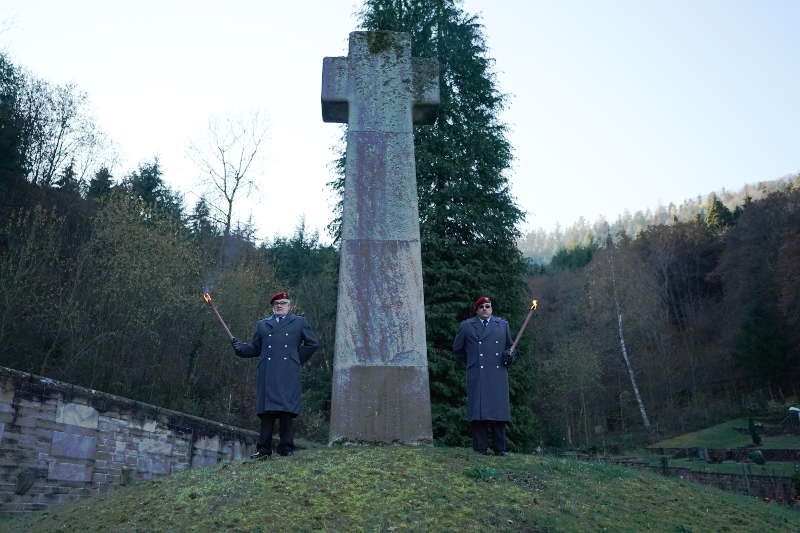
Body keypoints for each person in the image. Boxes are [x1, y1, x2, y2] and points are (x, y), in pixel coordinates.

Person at [231, 291, 319, 459]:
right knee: (267, 412)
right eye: (276, 304)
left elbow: (313, 343)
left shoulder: (299, 322)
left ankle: (286, 448)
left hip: (288, 372)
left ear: (289, 306)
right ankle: (264, 449)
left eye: (283, 303)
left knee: (286, 410)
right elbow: (255, 349)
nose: (279, 306)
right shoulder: (262, 325)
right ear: (272, 307)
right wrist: (240, 348)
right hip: (267, 372)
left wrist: (294, 359)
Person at [453, 296, 514, 456]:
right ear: (477, 310)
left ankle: (500, 448)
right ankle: (480, 448)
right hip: (477, 373)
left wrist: (510, 356)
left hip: (498, 373)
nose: (485, 309)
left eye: (488, 306)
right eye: (481, 307)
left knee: (498, 411)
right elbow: (457, 349)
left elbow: (511, 347)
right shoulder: (466, 326)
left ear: (491, 308)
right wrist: (471, 363)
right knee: (479, 411)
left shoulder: (502, 325)